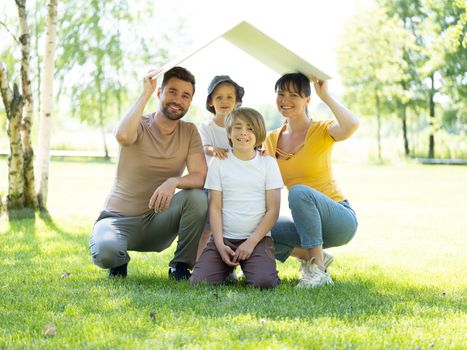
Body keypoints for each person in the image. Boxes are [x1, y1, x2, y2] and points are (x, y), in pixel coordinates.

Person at [89, 66, 208, 280]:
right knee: (106, 252)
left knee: (198, 197)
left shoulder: (189, 132)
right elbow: (123, 136)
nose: (178, 100)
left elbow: (199, 176)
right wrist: (145, 93)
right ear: (159, 93)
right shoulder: (139, 125)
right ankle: (118, 261)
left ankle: (180, 266)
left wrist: (174, 181)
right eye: (172, 92)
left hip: (159, 220)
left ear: (190, 102)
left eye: (185, 96)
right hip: (118, 220)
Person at [264, 72, 359, 288]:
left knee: (298, 191)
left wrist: (325, 95)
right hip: (306, 224)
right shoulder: (271, 139)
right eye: (281, 94)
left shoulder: (321, 130)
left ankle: (318, 272)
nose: (285, 100)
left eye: (293, 95)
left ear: (307, 100)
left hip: (338, 218)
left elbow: (352, 125)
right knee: (258, 226)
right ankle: (312, 255)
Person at [190, 107, 283, 289]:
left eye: (250, 128)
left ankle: (255, 265)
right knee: (199, 283)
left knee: (263, 283)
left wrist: (251, 243)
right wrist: (219, 243)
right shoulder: (219, 163)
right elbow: (215, 208)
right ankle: (226, 268)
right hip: (225, 238)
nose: (243, 133)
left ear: (259, 133)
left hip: (256, 240)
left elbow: (273, 210)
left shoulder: (268, 164)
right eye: (237, 127)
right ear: (229, 133)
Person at [196, 75, 245, 260]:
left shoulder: (240, 126)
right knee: (208, 226)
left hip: (235, 185)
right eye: (219, 97)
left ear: (236, 102)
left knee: (231, 226)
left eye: (229, 97)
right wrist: (212, 150)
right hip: (213, 185)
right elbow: (204, 147)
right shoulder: (206, 126)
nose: (224, 101)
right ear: (211, 101)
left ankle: (230, 260)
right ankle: (200, 262)